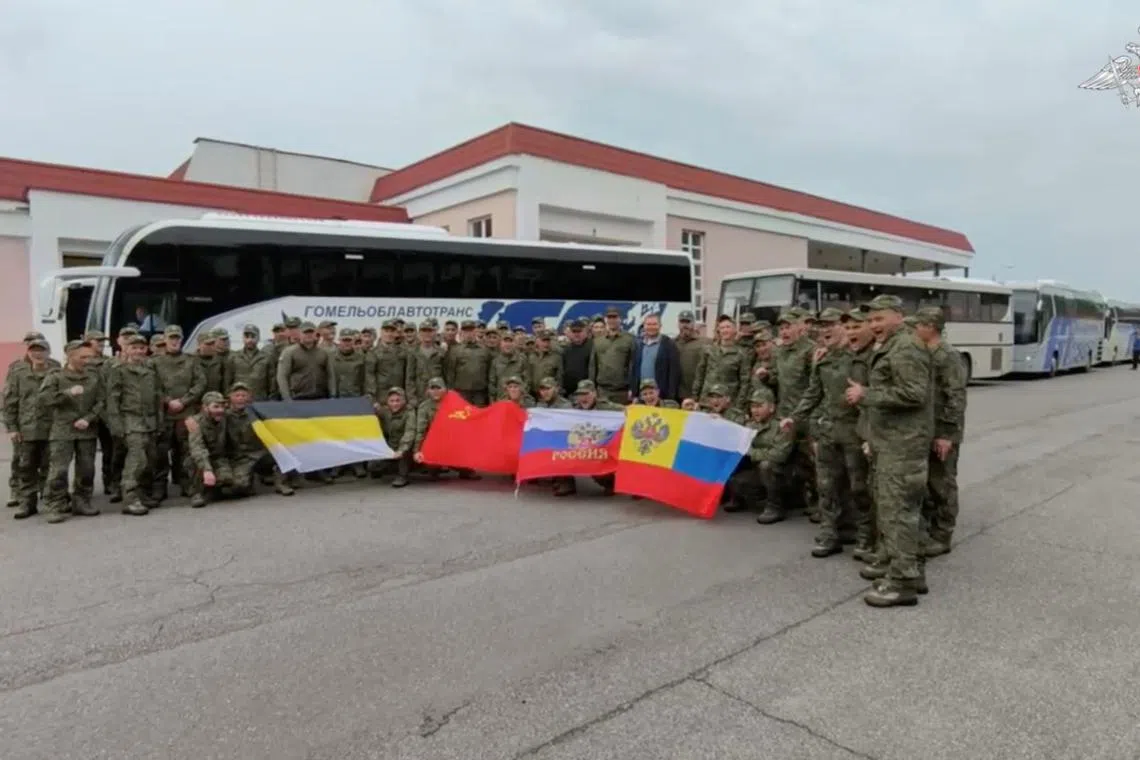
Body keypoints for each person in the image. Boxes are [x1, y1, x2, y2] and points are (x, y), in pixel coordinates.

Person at [846, 295, 934, 608]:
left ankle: (903, 583)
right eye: (870, 321)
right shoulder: (892, 346)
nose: (873, 326)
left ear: (897, 316)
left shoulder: (906, 347)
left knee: (899, 513)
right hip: (891, 443)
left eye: (879, 319)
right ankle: (905, 567)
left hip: (903, 446)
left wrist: (867, 393)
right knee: (897, 511)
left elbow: (914, 393)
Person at [782, 308, 865, 556]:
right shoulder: (823, 359)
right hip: (828, 430)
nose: (825, 330)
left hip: (854, 431)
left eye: (831, 324)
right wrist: (794, 417)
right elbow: (813, 392)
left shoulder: (859, 358)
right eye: (822, 326)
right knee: (827, 484)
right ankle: (830, 534)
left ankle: (862, 534)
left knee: (858, 486)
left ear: (842, 326)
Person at [912, 306, 967, 558]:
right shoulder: (925, 352)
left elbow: (955, 396)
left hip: (943, 430)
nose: (914, 330)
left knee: (942, 482)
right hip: (927, 428)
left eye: (918, 325)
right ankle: (931, 528)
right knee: (928, 482)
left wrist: (947, 434)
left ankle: (943, 534)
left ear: (930, 327)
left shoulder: (947, 355)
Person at [39, 341, 104, 522]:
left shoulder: (93, 376)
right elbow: (44, 399)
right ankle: (56, 505)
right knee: (58, 470)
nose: (88, 360)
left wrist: (89, 418)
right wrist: (67, 393)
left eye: (89, 356)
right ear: (70, 356)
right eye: (83, 357)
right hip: (63, 430)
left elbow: (101, 401)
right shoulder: (56, 376)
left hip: (87, 429)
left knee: (87, 469)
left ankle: (82, 501)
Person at [105, 333, 163, 516]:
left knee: (150, 459)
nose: (138, 351)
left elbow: (157, 398)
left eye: (141, 348)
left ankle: (142, 494)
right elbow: (112, 400)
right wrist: (116, 425)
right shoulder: (119, 370)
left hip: (150, 421)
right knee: (137, 459)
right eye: (134, 347)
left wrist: (159, 422)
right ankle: (129, 498)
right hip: (130, 420)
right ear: (126, 349)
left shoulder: (150, 372)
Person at [3, 337, 54, 519]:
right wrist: (12, 427)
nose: (37, 353)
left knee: (51, 467)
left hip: (52, 428)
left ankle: (51, 502)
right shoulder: (19, 374)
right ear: (28, 352)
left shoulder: (56, 372)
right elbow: (10, 402)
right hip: (27, 429)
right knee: (26, 467)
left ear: (48, 352)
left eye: (41, 350)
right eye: (34, 350)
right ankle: (27, 503)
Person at [728, 387, 793, 516]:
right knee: (736, 474)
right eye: (752, 406)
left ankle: (775, 506)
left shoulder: (782, 426)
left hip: (785, 474)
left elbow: (779, 456)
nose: (755, 410)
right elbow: (732, 429)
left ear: (772, 408)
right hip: (760, 472)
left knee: (766, 465)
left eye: (759, 406)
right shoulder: (751, 425)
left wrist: (751, 452)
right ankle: (739, 498)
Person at [183, 391, 232, 508]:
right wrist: (207, 469)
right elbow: (197, 449)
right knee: (195, 463)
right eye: (215, 406)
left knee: (233, 481)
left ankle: (212, 489)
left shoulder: (225, 418)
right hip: (199, 459)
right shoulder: (195, 423)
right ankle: (196, 493)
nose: (220, 410)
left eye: (222, 406)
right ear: (205, 408)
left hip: (218, 458)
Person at [690, 315, 751, 409]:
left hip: (728, 403)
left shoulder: (742, 354)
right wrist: (695, 398)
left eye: (728, 327)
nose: (725, 330)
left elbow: (745, 383)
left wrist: (739, 405)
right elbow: (700, 375)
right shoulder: (708, 350)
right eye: (722, 328)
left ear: (735, 330)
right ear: (718, 330)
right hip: (706, 401)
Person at [628, 314, 682, 402]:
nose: (651, 327)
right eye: (648, 324)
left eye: (654, 324)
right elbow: (634, 369)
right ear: (644, 326)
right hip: (641, 396)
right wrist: (632, 390)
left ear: (660, 326)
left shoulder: (669, 344)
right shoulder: (638, 344)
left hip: (661, 396)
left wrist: (670, 397)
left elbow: (674, 373)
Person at [590, 306, 636, 404]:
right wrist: (592, 389)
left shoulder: (630, 339)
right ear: (606, 319)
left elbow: (633, 365)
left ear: (620, 319)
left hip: (622, 392)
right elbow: (593, 366)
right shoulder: (597, 341)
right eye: (609, 317)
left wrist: (632, 389)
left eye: (614, 317)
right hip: (602, 391)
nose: (612, 320)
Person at [444, 320, 492, 406]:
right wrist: (450, 392)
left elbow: (489, 371)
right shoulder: (455, 350)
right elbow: (450, 373)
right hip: (461, 392)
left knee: (479, 416)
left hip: (480, 393)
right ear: (461, 332)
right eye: (466, 331)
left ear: (475, 331)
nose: (469, 333)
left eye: (471, 330)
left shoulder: (484, 350)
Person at [377, 387, 416, 487]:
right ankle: (393, 467)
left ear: (404, 400)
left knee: (404, 455)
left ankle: (403, 475)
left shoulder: (409, 413)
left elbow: (410, 432)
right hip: (391, 446)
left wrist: (401, 450)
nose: (394, 404)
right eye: (392, 401)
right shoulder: (384, 411)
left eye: (398, 400)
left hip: (405, 447)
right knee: (373, 467)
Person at [674, 310, 707, 401]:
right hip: (677, 393)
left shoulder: (704, 343)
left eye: (688, 322)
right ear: (678, 324)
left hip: (695, 393)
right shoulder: (672, 343)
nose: (685, 325)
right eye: (682, 322)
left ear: (693, 324)